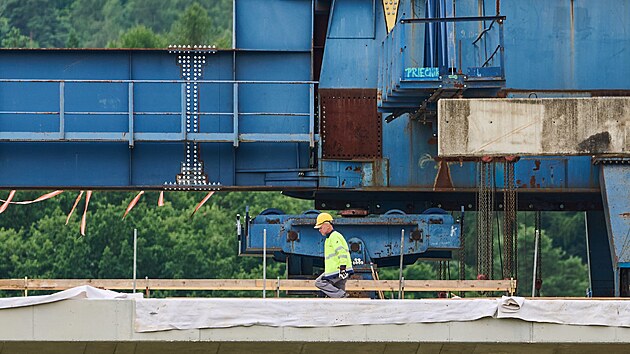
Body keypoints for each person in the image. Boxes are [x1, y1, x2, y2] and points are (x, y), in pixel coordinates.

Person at [313, 212, 353, 298]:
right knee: (338, 291)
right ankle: (343, 302)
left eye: (320, 227)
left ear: (327, 225)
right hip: (340, 269)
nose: (319, 230)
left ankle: (343, 296)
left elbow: (341, 252)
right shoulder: (331, 237)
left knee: (319, 282)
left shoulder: (334, 236)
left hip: (337, 270)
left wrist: (342, 268)